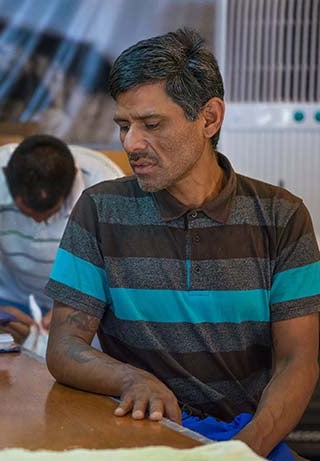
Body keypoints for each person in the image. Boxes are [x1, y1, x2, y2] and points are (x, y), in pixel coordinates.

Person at [45, 28, 319, 461]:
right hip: (140, 440)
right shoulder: (99, 210)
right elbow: (64, 347)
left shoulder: (283, 216)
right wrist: (131, 380)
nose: (131, 143)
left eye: (152, 124)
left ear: (209, 119)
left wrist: (244, 450)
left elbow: (297, 362)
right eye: (124, 125)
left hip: (248, 439)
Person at [0, 134, 122, 338]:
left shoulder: (105, 186)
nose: (38, 222)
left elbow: (125, 273)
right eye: (26, 211)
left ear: (73, 179)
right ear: (4, 176)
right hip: (11, 301)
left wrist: (81, 306)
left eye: (50, 213)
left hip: (90, 305)